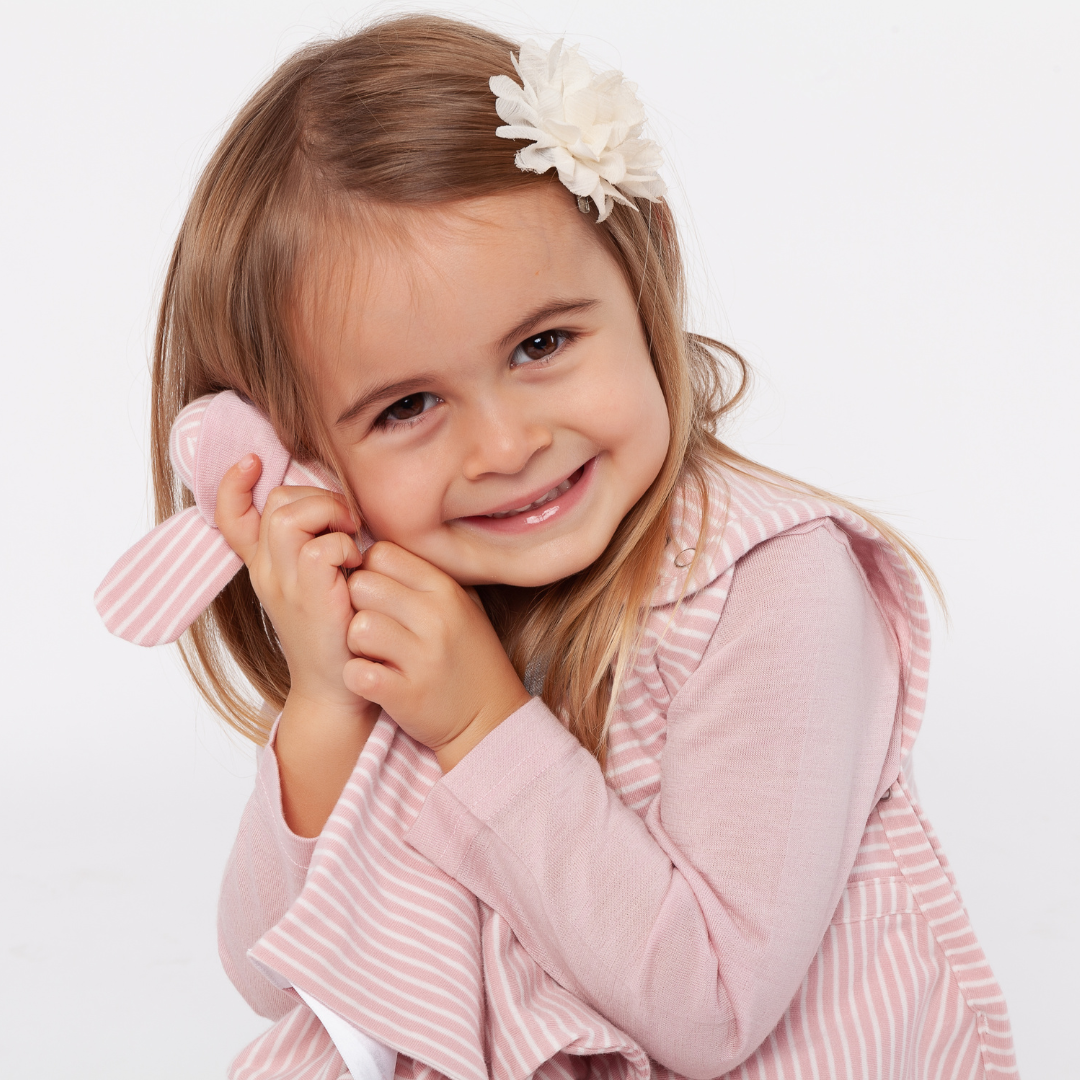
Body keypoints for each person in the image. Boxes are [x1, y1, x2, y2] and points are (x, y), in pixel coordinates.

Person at [97, 13, 1018, 1080]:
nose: (507, 446)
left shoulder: (772, 589)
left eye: (542, 344)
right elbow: (274, 977)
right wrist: (324, 708)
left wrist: (482, 726)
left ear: (644, 268)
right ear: (292, 449)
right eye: (406, 407)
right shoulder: (412, 604)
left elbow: (712, 1010)